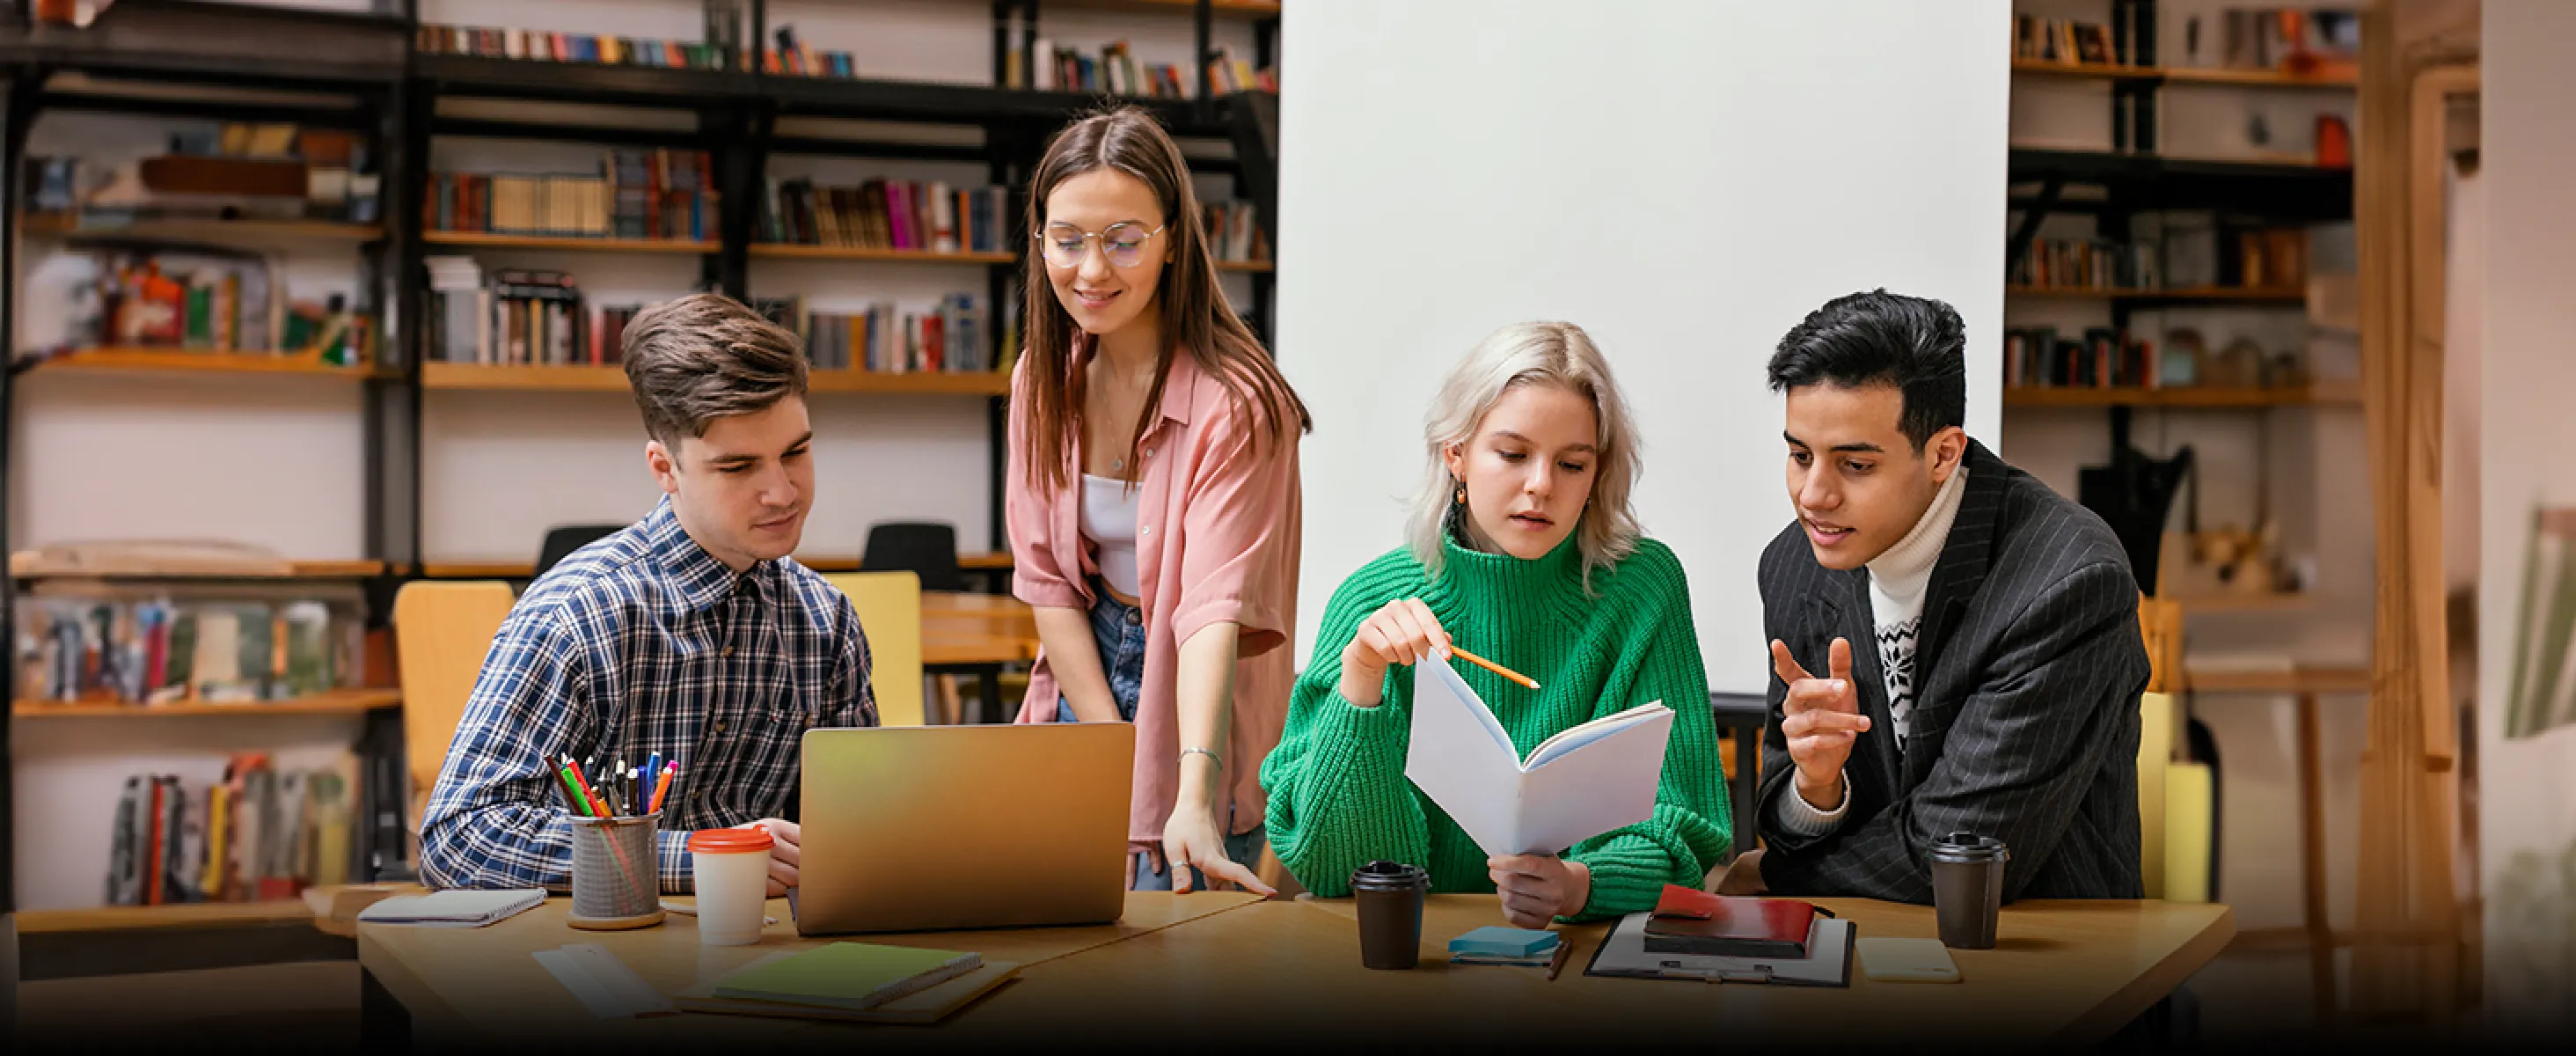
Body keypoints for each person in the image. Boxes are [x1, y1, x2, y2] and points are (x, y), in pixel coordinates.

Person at [1262, 321, 1731, 928]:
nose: (1540, 485)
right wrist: (1361, 683)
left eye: (1571, 464)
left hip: (1587, 959)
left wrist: (1581, 886)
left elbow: (1684, 826)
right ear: (1455, 454)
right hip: (1415, 964)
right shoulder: (1368, 601)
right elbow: (1332, 868)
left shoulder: (1643, 587)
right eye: (1513, 454)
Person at [421, 293, 875, 897]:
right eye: (738, 468)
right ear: (665, 469)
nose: (781, 492)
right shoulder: (576, 616)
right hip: (597, 959)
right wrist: (704, 858)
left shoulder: (826, 622)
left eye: (795, 452)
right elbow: (461, 836)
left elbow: (859, 832)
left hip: (768, 961)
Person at [1729, 290, 2146, 903]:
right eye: (1799, 455)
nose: (1813, 495)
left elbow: (1960, 851)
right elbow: (1785, 818)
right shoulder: (1793, 566)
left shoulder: (2069, 581)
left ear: (1943, 454)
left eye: (1855, 466)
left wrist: (1771, 876)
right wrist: (1816, 790)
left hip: (2041, 956)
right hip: (1858, 956)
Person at [1006, 106, 1309, 896]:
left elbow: (1211, 611)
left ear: (1173, 239)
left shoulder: (1237, 403)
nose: (1092, 270)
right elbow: (1047, 584)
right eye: (1067, 239)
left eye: (1124, 240)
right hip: (1087, 671)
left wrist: (1192, 790)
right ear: (1039, 241)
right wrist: (1110, 743)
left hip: (1199, 685)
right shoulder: (1041, 377)